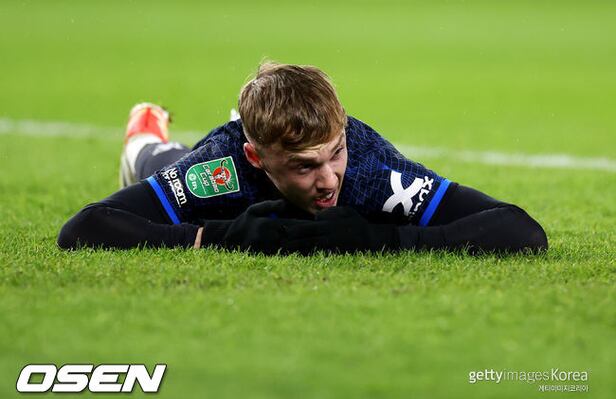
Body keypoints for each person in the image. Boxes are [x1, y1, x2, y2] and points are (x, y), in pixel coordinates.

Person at [57, 62, 548, 255]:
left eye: (335, 154)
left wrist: (386, 239)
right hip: (215, 163)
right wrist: (214, 236)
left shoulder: (373, 169)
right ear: (257, 157)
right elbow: (84, 228)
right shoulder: (225, 167)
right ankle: (145, 135)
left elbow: (520, 230)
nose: (329, 180)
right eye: (304, 166)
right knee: (161, 165)